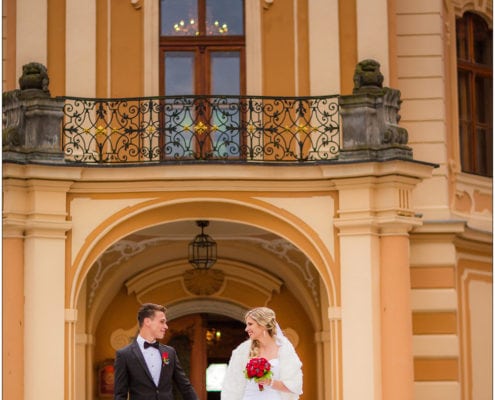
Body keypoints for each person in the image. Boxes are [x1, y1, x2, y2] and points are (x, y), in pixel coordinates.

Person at [114, 303, 199, 400]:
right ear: (147, 322)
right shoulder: (124, 355)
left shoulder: (170, 352)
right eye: (162, 322)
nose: (166, 326)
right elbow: (120, 395)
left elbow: (185, 387)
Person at [221, 307, 303, 400]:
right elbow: (232, 386)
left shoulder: (284, 350)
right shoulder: (242, 352)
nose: (246, 329)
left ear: (262, 324)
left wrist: (270, 382)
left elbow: (294, 386)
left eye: (250, 324)